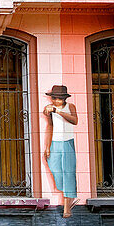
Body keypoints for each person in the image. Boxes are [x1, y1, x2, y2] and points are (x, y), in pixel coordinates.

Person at [41, 85, 79, 217]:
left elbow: (75, 121)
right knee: (55, 169)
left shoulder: (70, 107)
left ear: (64, 99)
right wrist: (47, 146)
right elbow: (50, 126)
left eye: (59, 99)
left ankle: (67, 206)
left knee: (68, 172)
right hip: (55, 143)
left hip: (68, 142)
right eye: (54, 98)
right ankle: (69, 194)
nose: (56, 101)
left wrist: (58, 111)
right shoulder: (50, 110)